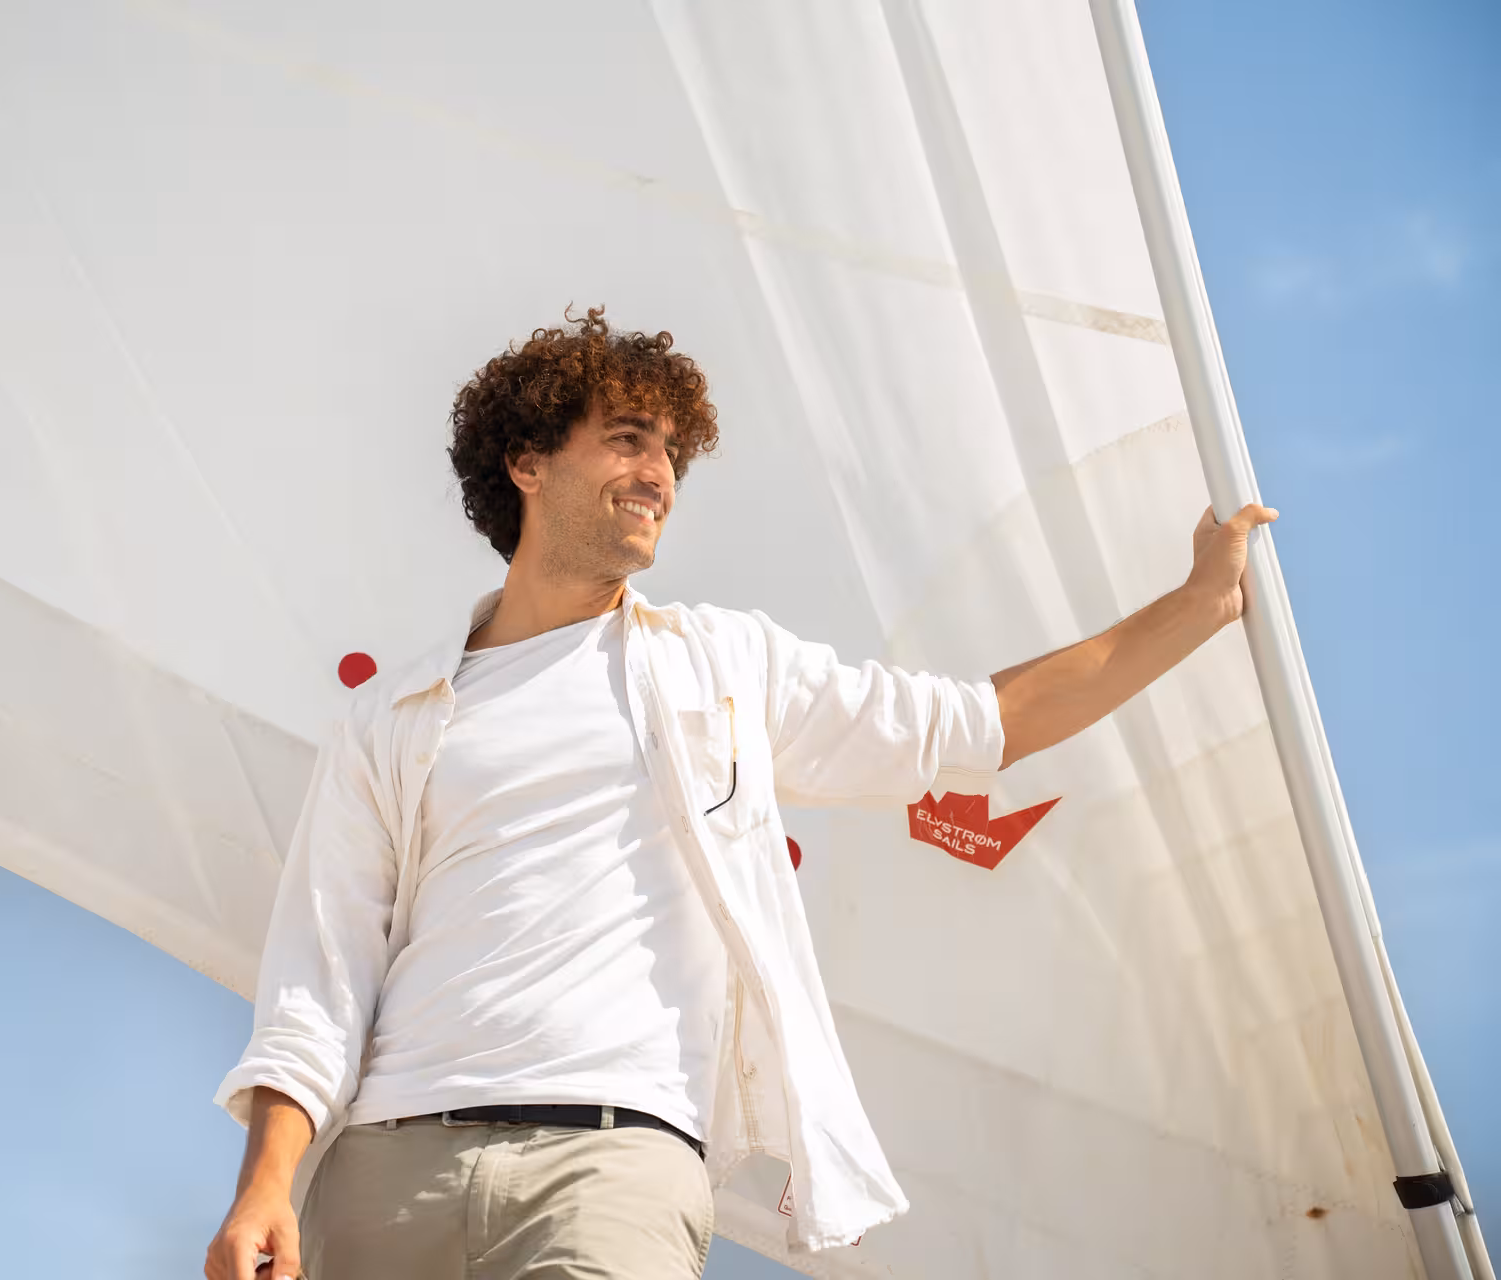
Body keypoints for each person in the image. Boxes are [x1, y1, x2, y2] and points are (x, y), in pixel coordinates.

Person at [203, 309, 1276, 1280]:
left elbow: (977, 726)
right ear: (525, 461)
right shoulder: (393, 717)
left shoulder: (724, 668)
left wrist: (1197, 604)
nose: (659, 471)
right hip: (388, 1172)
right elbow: (323, 975)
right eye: (628, 437)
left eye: (671, 451)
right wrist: (265, 1183)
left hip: (612, 1164)